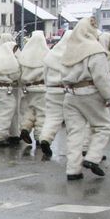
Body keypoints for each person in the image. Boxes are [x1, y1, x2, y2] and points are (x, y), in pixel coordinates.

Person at [60, 17, 110, 181]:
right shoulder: (94, 49)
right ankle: (92, 158)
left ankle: (73, 169)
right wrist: (109, 96)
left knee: (75, 133)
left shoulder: (69, 48)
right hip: (90, 92)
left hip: (70, 94)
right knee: (103, 127)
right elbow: (102, 76)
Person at [38, 30, 71, 158]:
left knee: (52, 117)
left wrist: (49, 85)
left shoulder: (52, 54)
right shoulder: (74, 54)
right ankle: (80, 146)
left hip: (52, 89)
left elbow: (45, 73)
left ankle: (45, 138)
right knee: (74, 120)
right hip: (68, 89)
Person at [17, 32, 50, 146]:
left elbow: (19, 73)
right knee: (42, 113)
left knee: (31, 110)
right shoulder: (46, 54)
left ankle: (25, 128)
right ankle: (39, 137)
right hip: (42, 88)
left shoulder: (24, 55)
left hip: (29, 88)